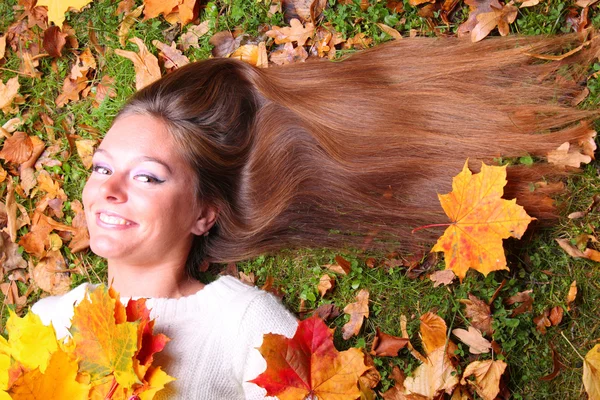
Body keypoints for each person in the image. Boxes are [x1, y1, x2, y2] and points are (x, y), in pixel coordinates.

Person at [32, 32, 597, 398]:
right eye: (104, 167)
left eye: (148, 176)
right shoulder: (45, 320)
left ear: (205, 214)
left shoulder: (246, 325)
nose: (108, 189)